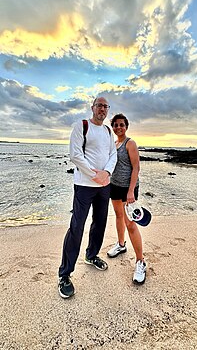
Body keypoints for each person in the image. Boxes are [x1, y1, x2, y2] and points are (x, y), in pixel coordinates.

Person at [58, 97, 117, 298]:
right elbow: (75, 155)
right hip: (84, 185)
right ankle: (65, 275)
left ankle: (91, 256)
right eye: (99, 105)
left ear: (107, 110)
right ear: (92, 108)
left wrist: (106, 174)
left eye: (105, 106)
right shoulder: (81, 125)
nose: (102, 109)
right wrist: (95, 174)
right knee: (77, 227)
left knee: (100, 224)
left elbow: (113, 155)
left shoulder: (108, 131)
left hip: (104, 186)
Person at [107, 113, 146, 284]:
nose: (118, 127)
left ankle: (140, 261)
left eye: (121, 125)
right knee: (118, 216)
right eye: (115, 125)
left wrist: (131, 191)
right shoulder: (113, 143)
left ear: (126, 126)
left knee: (131, 223)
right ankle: (121, 245)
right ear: (113, 127)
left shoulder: (130, 143)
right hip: (114, 185)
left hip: (128, 189)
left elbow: (136, 167)